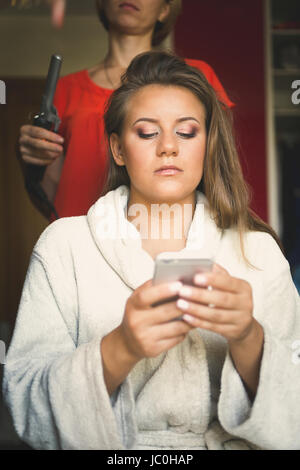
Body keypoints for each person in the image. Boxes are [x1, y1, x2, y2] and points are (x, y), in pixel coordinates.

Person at [4, 51, 300, 450]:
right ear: (118, 148)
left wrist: (248, 337)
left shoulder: (258, 251)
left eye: (187, 131)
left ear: (208, 144)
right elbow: (25, 405)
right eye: (146, 132)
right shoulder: (64, 246)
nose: (167, 148)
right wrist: (121, 347)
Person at [18, 0, 234, 222]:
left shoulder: (196, 76)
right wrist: (32, 163)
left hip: (170, 232)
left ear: (164, 10)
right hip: (81, 233)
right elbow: (50, 192)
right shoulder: (66, 89)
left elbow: (220, 169)